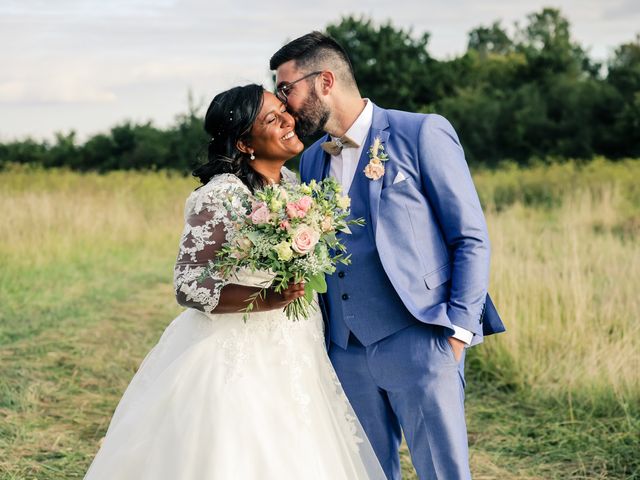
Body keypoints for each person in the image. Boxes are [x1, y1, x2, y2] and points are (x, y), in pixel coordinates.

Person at [84, 84, 386, 480]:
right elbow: (188, 285)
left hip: (297, 342)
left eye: (284, 111)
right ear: (245, 143)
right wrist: (264, 299)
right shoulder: (220, 196)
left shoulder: (295, 188)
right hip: (236, 349)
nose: (288, 122)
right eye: (272, 119)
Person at [270, 32, 506, 480]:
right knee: (365, 472)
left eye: (287, 89)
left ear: (324, 81)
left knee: (442, 472)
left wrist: (456, 331)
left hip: (421, 338)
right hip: (345, 348)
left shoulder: (421, 132)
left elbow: (470, 237)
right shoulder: (314, 158)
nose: (284, 104)